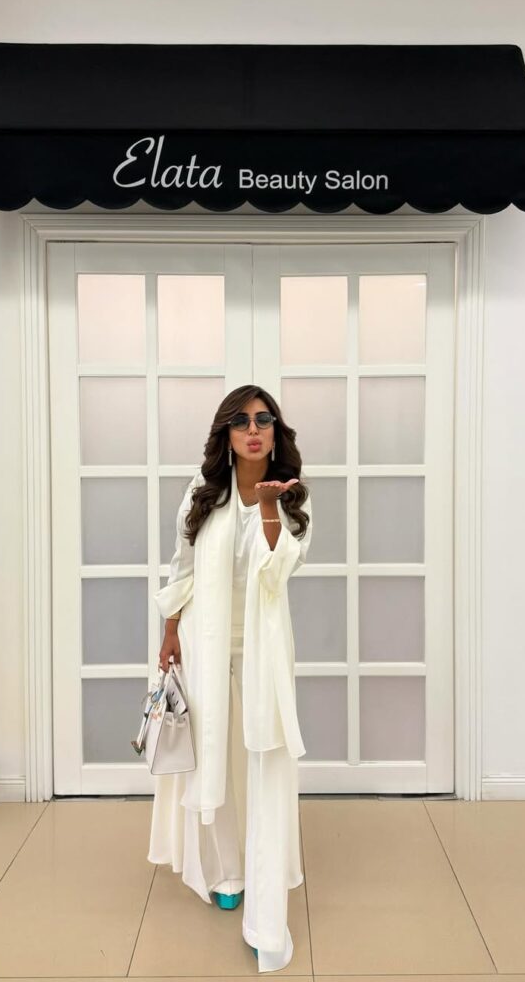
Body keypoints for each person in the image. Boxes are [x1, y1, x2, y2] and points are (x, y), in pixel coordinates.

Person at [148, 384, 312, 973]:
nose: (253, 430)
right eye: (241, 421)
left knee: (265, 758)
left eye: (264, 420)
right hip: (203, 640)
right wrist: (170, 631)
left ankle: (267, 903)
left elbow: (278, 571)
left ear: (275, 432)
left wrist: (268, 507)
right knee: (211, 753)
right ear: (227, 433)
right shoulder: (205, 489)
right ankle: (226, 874)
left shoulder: (292, 496)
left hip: (263, 647)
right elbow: (183, 564)